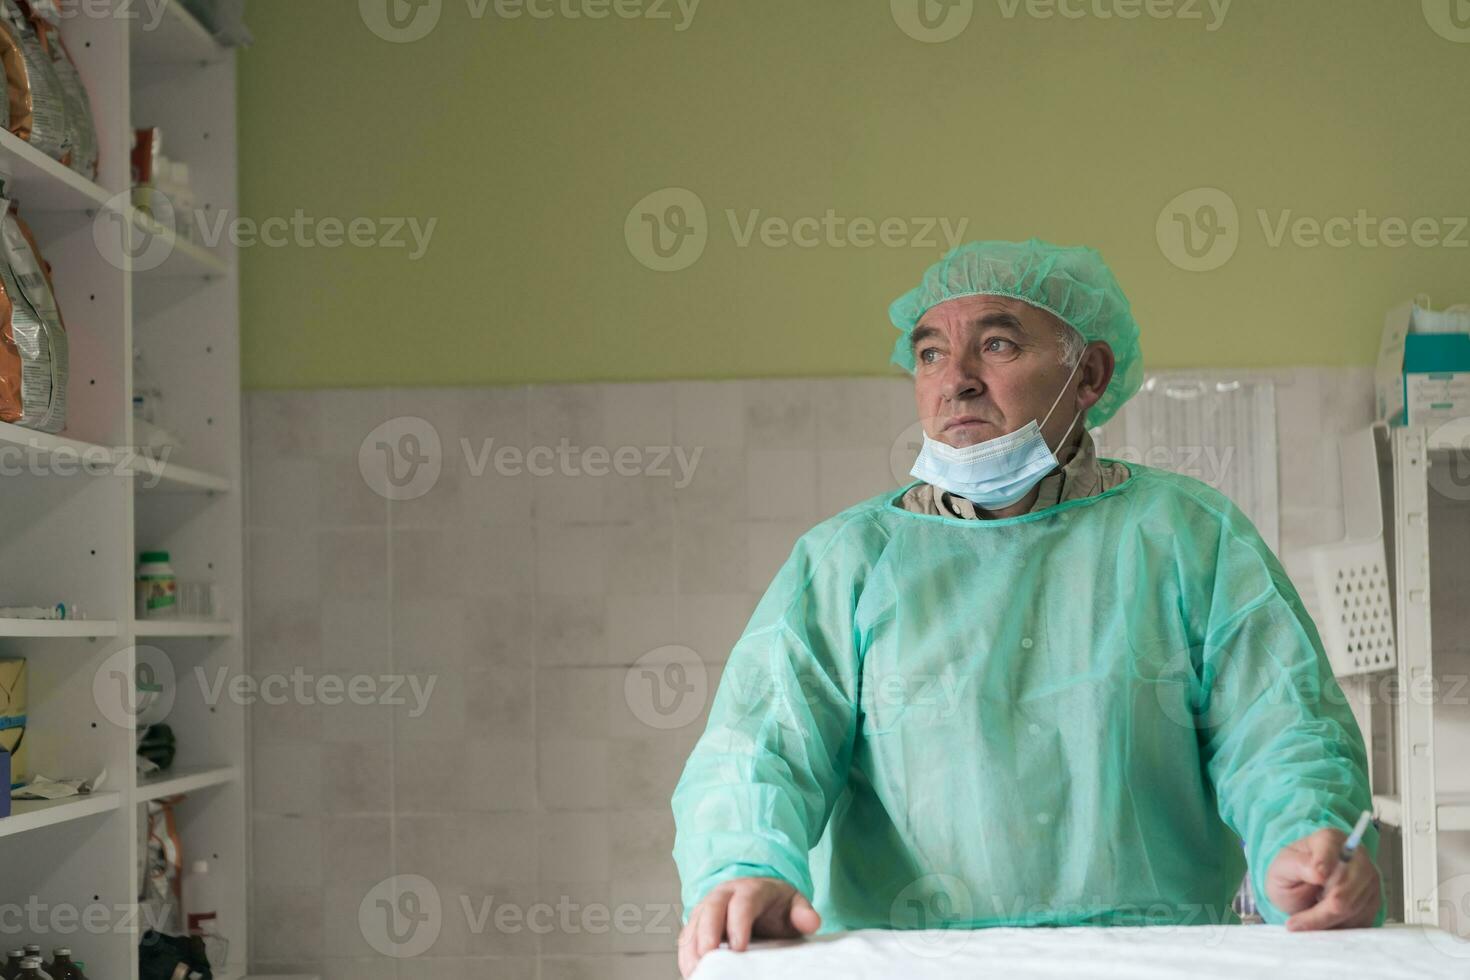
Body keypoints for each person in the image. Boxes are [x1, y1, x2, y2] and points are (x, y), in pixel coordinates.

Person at [670, 239, 1383, 978]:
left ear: (1089, 375)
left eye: (998, 344)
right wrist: (744, 866)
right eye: (930, 356)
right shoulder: (847, 561)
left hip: (1145, 962)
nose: (957, 382)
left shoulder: (1187, 538)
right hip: (911, 965)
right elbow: (760, 752)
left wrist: (1308, 841)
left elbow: (1282, 729)